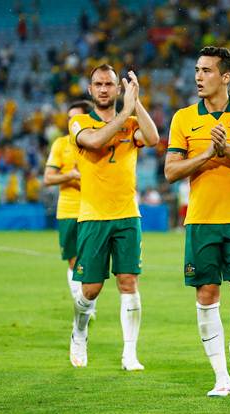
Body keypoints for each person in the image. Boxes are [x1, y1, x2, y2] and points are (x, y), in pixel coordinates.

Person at [164, 46, 230, 397]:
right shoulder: (183, 119)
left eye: (207, 71)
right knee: (207, 295)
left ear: (226, 77)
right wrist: (207, 153)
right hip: (201, 220)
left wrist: (228, 150)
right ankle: (220, 377)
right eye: (196, 70)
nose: (198, 76)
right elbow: (170, 171)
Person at [67, 64, 159, 370]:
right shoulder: (79, 122)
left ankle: (130, 353)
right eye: (98, 84)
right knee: (90, 289)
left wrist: (137, 101)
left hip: (127, 216)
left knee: (129, 282)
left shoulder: (132, 123)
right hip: (93, 217)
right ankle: (79, 331)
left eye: (109, 84)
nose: (104, 89)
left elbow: (154, 137)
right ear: (90, 90)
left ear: (117, 89)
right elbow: (93, 142)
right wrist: (125, 114)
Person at [43, 100, 96, 313]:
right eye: (69, 118)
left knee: (92, 262)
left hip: (93, 209)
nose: (71, 123)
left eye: (76, 118)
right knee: (74, 261)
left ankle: (88, 306)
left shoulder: (95, 143)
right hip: (68, 210)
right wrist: (71, 176)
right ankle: (82, 306)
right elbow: (48, 178)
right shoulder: (60, 144)